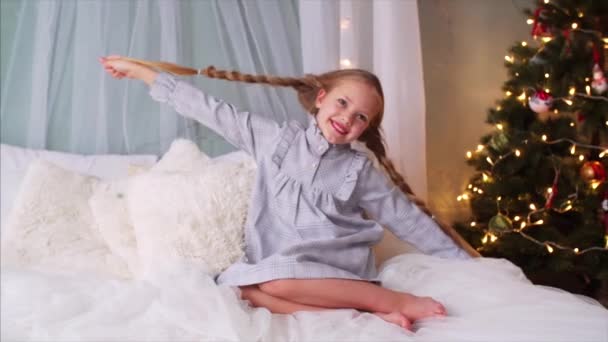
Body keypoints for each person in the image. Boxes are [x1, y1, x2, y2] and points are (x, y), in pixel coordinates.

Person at [99, 55, 480, 330]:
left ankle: (393, 301)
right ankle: (367, 317)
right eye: (342, 103)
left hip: (333, 267)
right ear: (320, 99)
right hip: (274, 261)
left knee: (277, 283)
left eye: (361, 117)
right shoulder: (274, 140)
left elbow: (407, 219)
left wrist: (464, 264)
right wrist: (145, 74)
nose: (347, 118)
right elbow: (211, 110)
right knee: (236, 289)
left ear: (365, 128)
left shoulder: (358, 169)